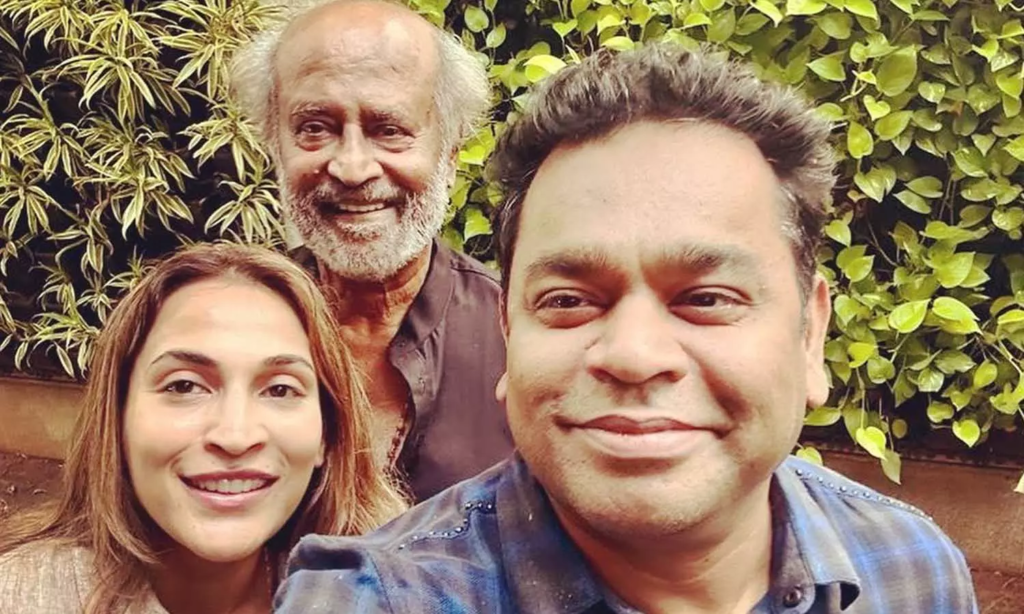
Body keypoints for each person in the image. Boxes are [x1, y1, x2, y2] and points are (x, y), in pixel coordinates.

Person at [274, 44, 979, 613]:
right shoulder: (371, 600)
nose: (634, 355)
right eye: (569, 301)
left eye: (706, 298)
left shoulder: (910, 568)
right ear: (509, 334)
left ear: (809, 335)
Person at [0, 243, 407, 614]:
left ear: (326, 433)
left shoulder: (394, 591)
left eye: (280, 389)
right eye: (184, 386)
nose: (235, 437)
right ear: (118, 418)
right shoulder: (22, 596)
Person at [230, 0, 512, 501]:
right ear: (275, 145)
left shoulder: (515, 339)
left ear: (450, 153)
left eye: (390, 130)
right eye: (315, 128)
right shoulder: (232, 328)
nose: (353, 168)